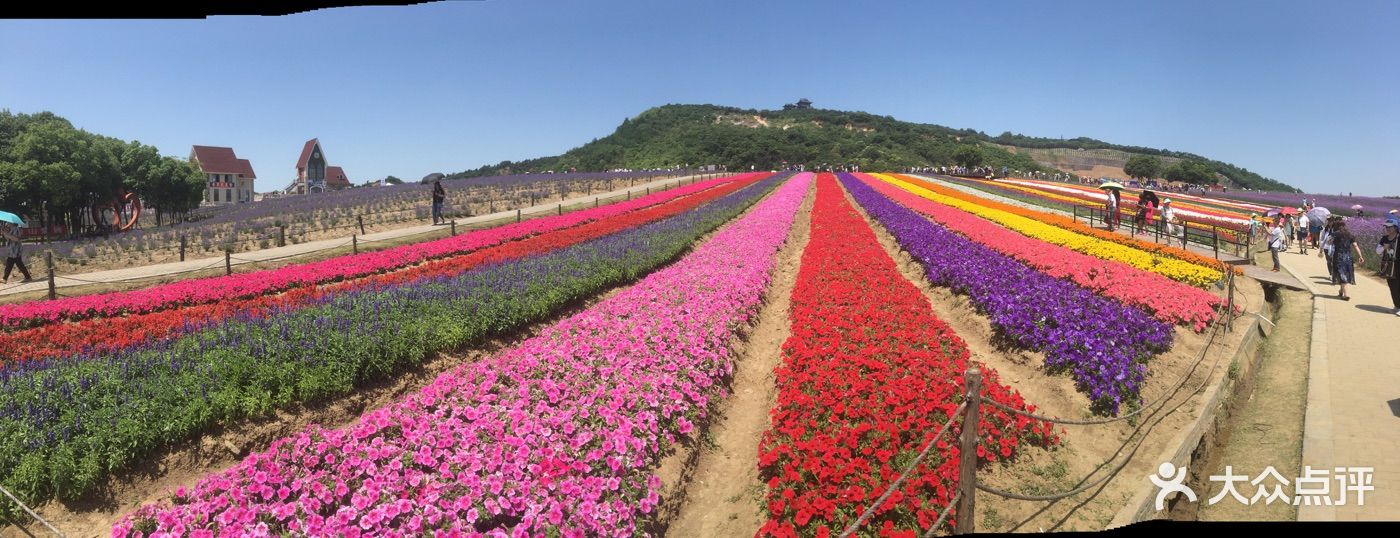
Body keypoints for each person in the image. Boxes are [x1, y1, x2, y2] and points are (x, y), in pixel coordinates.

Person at [1327, 220, 1364, 300]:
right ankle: (1341, 290)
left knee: (1341, 273)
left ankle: (1345, 294)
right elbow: (1355, 245)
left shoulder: (1335, 234)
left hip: (1338, 256)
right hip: (1348, 257)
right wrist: (1360, 256)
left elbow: (1329, 243)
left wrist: (1332, 239)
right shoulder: (1350, 235)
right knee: (1345, 273)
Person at [1377, 221, 1399, 315]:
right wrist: (1384, 248)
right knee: (1392, 286)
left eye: (1390, 227)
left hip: (1398, 266)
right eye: (1386, 227)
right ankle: (1396, 306)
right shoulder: (1384, 238)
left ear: (1395, 227)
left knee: (1398, 286)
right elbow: (1378, 251)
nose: (1387, 229)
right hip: (1388, 266)